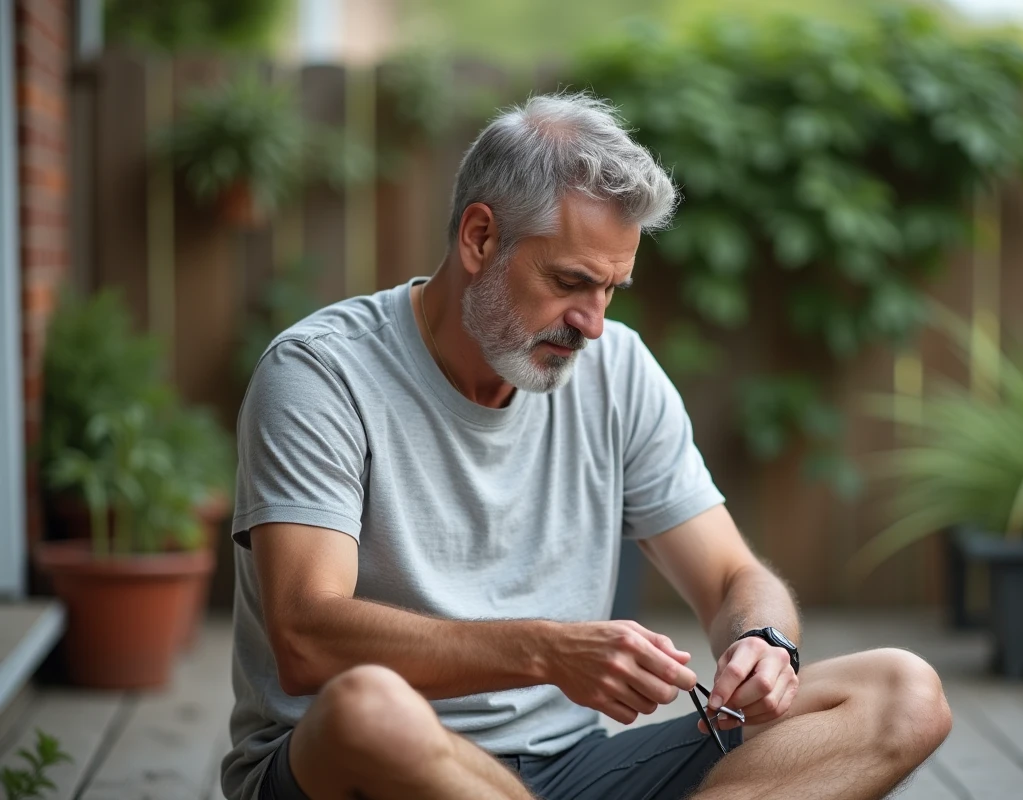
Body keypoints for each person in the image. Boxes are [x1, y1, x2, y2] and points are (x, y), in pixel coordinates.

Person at [220, 92, 952, 800]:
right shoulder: (321, 373)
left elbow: (733, 574)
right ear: (480, 238)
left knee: (902, 694)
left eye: (612, 290)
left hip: (572, 770)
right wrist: (545, 651)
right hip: (375, 769)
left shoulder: (618, 369)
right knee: (368, 711)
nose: (593, 324)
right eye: (570, 282)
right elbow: (306, 637)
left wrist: (764, 641)